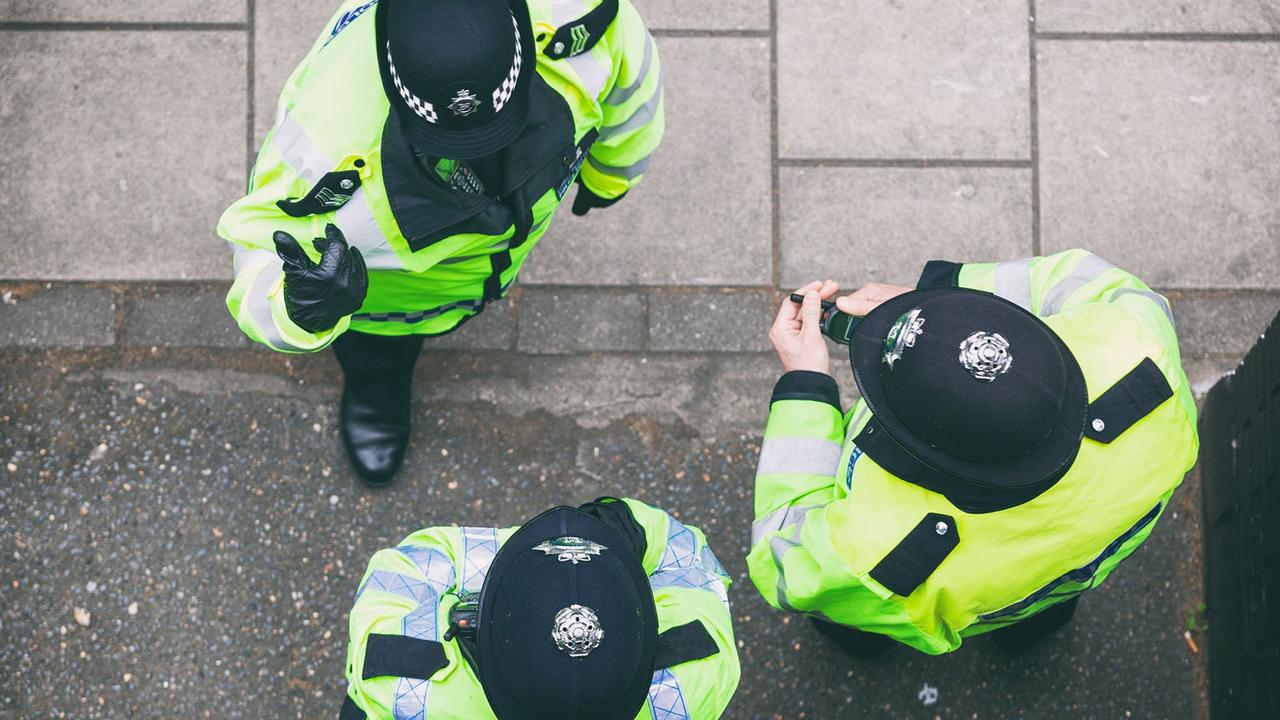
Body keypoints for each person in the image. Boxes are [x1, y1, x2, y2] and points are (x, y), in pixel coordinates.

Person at [218, 0, 664, 486]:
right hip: (388, 309)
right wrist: (298, 309)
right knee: (377, 353)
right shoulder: (321, 155)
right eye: (454, 142)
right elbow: (256, 252)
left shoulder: (580, 17)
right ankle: (377, 390)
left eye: (499, 127)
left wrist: (611, 174)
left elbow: (633, 87)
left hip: (474, 271)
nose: (486, 151)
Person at [748, 249, 1198, 654]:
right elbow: (1088, 278)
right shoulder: (1140, 350)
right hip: (1074, 564)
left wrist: (805, 383)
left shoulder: (881, 556)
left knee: (855, 621)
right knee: (1040, 613)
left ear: (928, 448)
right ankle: (1026, 642)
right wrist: (949, 304)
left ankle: (866, 650)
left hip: (897, 596)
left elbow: (784, 563)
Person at [338, 498, 739, 719]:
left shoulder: (405, 687)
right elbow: (682, 556)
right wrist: (610, 532)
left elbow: (408, 567)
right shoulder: (693, 680)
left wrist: (522, 563)